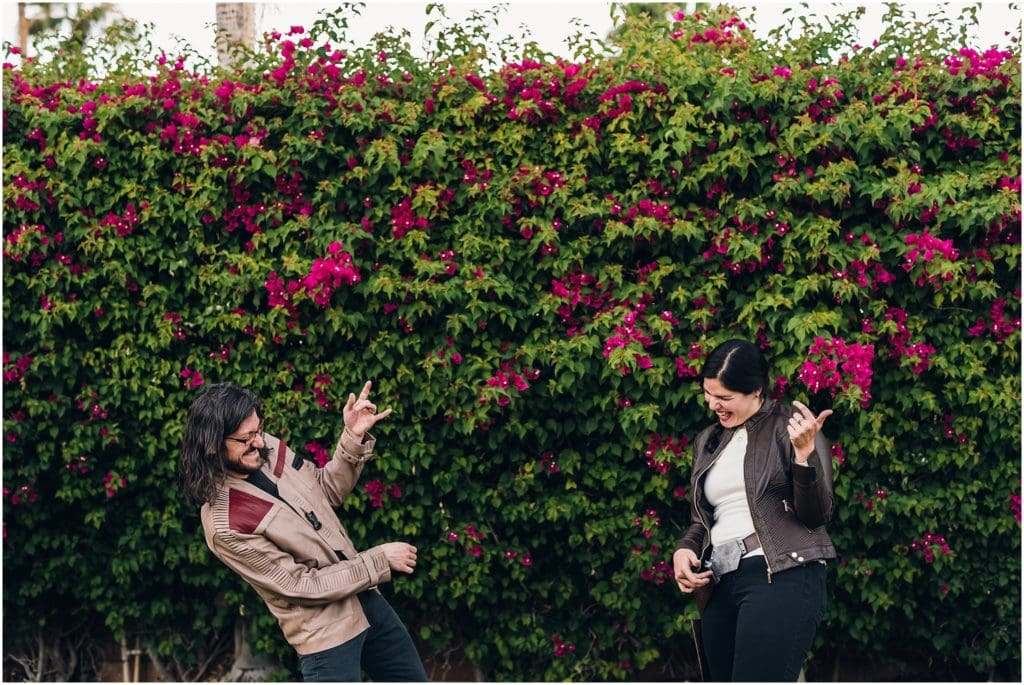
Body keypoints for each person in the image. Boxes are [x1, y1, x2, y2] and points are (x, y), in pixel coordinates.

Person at [179, 380, 428, 682]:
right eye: (246, 438)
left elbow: (325, 492)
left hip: (367, 602)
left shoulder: (265, 446)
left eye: (259, 430)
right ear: (212, 444)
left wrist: (352, 437)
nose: (259, 442)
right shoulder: (225, 523)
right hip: (327, 637)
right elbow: (300, 586)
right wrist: (378, 561)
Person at [672, 339, 836, 682]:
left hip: (781, 571)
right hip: (720, 579)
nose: (713, 404)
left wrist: (804, 457)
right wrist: (685, 548)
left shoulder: (792, 426)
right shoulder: (708, 440)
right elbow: (701, 518)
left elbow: (817, 513)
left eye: (725, 397)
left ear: (756, 391)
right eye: (708, 393)